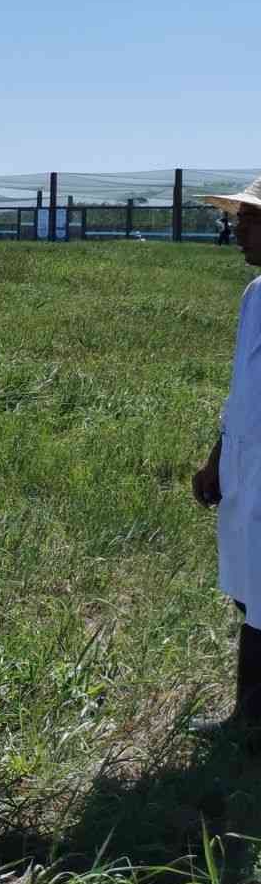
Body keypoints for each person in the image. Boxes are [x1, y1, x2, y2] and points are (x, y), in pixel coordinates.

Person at [190, 175, 261, 736]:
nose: (237, 230)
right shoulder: (255, 295)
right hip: (246, 464)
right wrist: (218, 457)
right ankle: (248, 718)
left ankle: (248, 724)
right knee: (248, 590)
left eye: (249, 219)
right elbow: (243, 388)